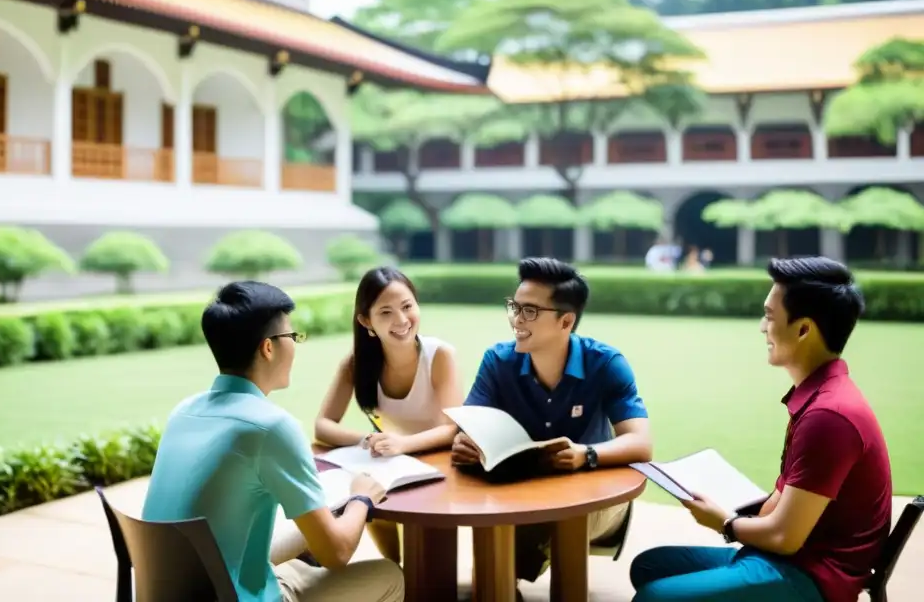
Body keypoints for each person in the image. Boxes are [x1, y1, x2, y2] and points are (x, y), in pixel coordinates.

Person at [630, 257, 892, 602]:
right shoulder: (820, 397)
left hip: (811, 575)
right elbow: (784, 505)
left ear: (803, 329)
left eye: (769, 316)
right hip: (791, 556)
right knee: (648, 567)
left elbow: (785, 537)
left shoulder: (830, 415)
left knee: (655, 596)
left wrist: (725, 523)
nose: (761, 326)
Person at [142, 281, 404, 602]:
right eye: (292, 337)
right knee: (390, 575)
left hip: (181, 587)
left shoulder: (184, 412)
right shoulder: (271, 427)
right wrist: (361, 500)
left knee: (312, 533)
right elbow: (337, 553)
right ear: (268, 348)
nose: (295, 346)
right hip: (232, 595)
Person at [451, 257, 653, 587]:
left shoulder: (606, 363)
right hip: (521, 494)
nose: (516, 319)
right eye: (515, 307)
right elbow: (469, 426)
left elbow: (641, 443)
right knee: (491, 574)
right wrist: (466, 443)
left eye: (530, 311)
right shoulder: (497, 361)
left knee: (509, 554)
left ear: (565, 322)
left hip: (591, 500)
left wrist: (585, 454)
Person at [314, 265, 463, 563]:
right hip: (392, 464)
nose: (401, 320)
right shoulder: (356, 364)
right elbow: (323, 425)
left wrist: (401, 443)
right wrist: (367, 438)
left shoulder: (440, 355)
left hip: (441, 467)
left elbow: (453, 429)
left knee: (432, 560)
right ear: (366, 320)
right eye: (386, 312)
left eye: (407, 306)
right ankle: (396, 574)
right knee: (371, 497)